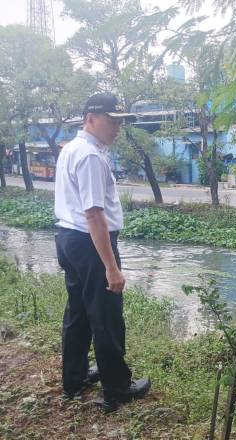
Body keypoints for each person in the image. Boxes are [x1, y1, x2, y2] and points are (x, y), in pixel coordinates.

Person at [54, 92, 150, 413]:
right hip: (91, 243)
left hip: (69, 239)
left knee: (78, 312)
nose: (117, 128)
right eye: (112, 121)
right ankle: (117, 388)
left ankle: (74, 378)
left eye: (120, 122)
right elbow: (94, 214)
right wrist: (111, 267)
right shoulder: (91, 156)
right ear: (91, 118)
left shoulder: (72, 148)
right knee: (106, 316)